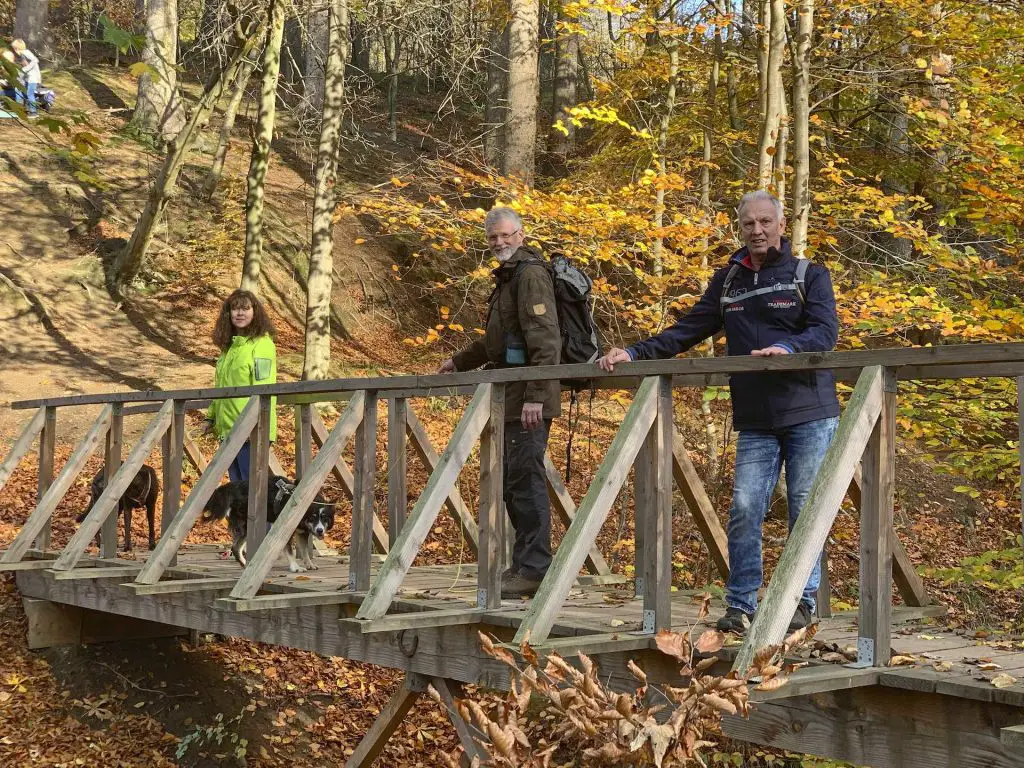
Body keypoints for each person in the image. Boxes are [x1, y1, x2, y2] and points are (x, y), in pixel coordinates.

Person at [598, 190, 840, 634]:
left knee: (806, 510)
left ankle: (800, 603)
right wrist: (635, 352)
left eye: (766, 222)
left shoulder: (809, 275)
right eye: (749, 224)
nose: (758, 230)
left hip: (809, 410)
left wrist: (786, 348)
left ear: (781, 225)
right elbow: (689, 329)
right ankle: (741, 605)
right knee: (745, 508)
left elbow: (825, 332)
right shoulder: (729, 281)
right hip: (755, 416)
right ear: (740, 228)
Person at [438, 207, 561, 599]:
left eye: (505, 235)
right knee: (513, 482)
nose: (498, 243)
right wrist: (458, 361)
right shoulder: (507, 278)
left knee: (525, 481)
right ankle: (524, 565)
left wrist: (536, 397)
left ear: (521, 235)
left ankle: (536, 568)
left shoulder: (531, 275)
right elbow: (496, 343)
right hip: (511, 397)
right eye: (492, 237)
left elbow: (546, 341)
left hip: (527, 400)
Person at [203, 289, 278, 482]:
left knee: (250, 490)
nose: (240, 313)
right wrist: (210, 418)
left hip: (251, 431)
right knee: (237, 490)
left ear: (255, 312)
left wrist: (256, 426)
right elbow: (220, 387)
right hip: (227, 430)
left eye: (245, 308)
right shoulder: (228, 348)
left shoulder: (261, 344)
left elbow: (265, 389)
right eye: (235, 309)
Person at [10, 39, 40, 118]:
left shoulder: (26, 52)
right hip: (28, 78)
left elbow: (35, 60)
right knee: (19, 90)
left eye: (14, 48)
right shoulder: (23, 54)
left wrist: (25, 69)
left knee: (30, 94)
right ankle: (20, 109)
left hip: (32, 79)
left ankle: (34, 112)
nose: (14, 50)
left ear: (17, 48)